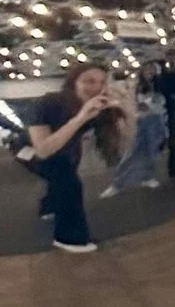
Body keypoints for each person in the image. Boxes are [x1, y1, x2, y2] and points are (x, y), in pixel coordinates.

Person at [24, 63, 128, 253]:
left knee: (63, 174)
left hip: (64, 148)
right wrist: (81, 117)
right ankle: (68, 238)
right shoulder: (49, 103)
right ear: (73, 83)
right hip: (26, 149)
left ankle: (48, 208)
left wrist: (122, 102)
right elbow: (43, 150)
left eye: (101, 82)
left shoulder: (96, 107)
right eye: (88, 81)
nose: (96, 87)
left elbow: (123, 134)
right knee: (68, 183)